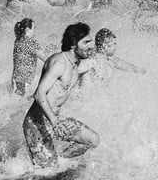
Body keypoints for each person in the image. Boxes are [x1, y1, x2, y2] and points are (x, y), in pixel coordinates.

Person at [23, 22, 99, 167]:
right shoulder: (59, 62)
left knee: (92, 140)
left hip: (56, 120)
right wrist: (55, 122)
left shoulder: (75, 64)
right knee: (49, 173)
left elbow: (95, 62)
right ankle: (48, 164)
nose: (91, 45)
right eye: (86, 42)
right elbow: (39, 93)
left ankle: (60, 158)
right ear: (73, 45)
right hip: (37, 124)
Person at [12, 18, 49, 96]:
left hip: (15, 79)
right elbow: (45, 58)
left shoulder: (18, 41)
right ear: (28, 29)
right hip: (25, 81)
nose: (34, 31)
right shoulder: (31, 41)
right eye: (34, 28)